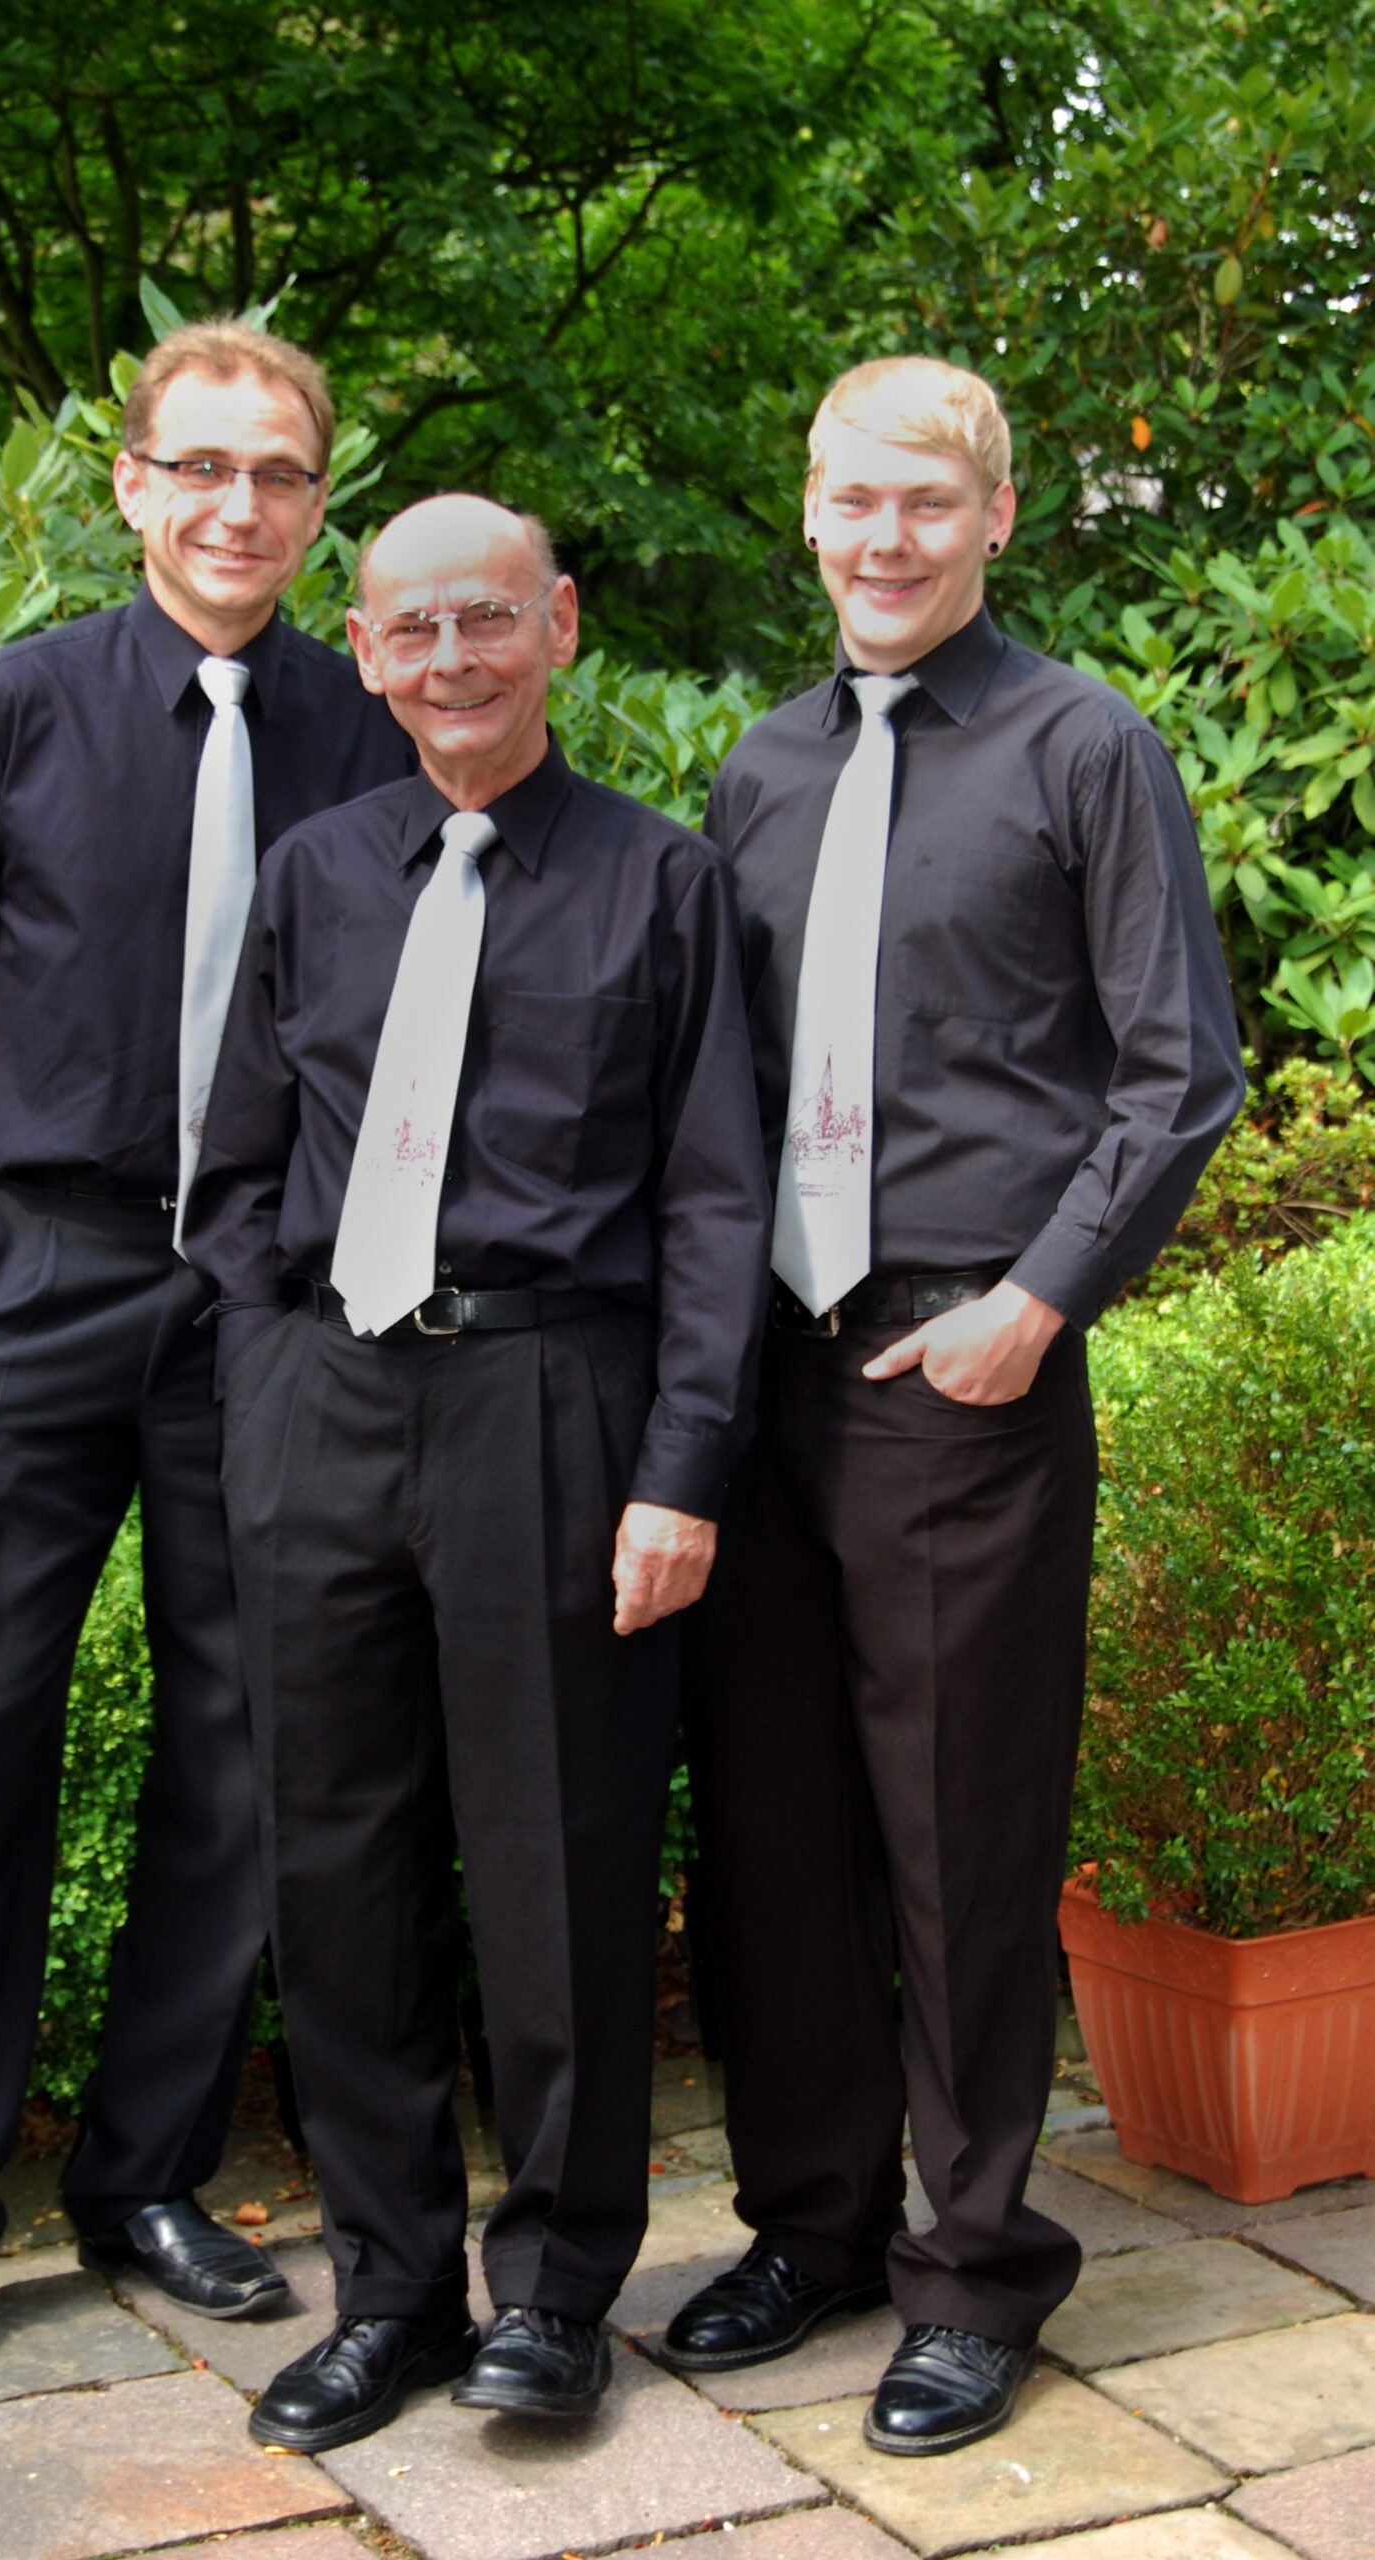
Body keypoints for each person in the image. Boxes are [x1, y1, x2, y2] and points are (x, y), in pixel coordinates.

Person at [0, 319, 415, 2390]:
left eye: (278, 472)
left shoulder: (367, 729)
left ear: (317, 500)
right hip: (44, 1275)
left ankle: (148, 2171)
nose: (239, 505)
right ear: (133, 485)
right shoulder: (16, 708)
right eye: (203, 467)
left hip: (263, 1301)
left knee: (246, 1738)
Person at [665, 357, 1243, 2455]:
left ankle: (976, 2264)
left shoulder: (1083, 749)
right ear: (807, 514)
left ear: (995, 516)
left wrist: (1032, 1303)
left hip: (958, 1372)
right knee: (777, 1841)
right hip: (765, 1378)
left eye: (927, 500)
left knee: (957, 1841)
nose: (885, 538)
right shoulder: (757, 769)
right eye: (853, 500)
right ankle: (812, 2226)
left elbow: (1175, 1070)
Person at [180, 492, 770, 2449]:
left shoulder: (663, 884)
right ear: (361, 651)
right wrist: (265, 1388)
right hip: (326, 1402)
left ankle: (557, 2292)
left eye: (488, 619)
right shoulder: (312, 876)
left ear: (558, 626)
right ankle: (389, 2297)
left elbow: (713, 1203)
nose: (452, 658)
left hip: (547, 1397)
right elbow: (237, 1167)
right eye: (412, 628)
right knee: (335, 1866)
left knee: (557, 1862)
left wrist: (679, 1464)